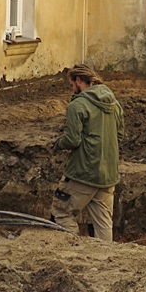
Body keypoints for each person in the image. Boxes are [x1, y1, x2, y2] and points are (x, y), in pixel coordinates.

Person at [51, 64, 124, 241]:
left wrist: (57, 144)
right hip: (108, 174)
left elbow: (72, 140)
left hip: (83, 172)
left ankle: (71, 251)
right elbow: (119, 135)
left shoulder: (78, 105)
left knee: (61, 212)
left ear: (78, 80)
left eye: (71, 85)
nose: (72, 89)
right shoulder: (114, 103)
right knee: (103, 222)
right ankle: (104, 260)